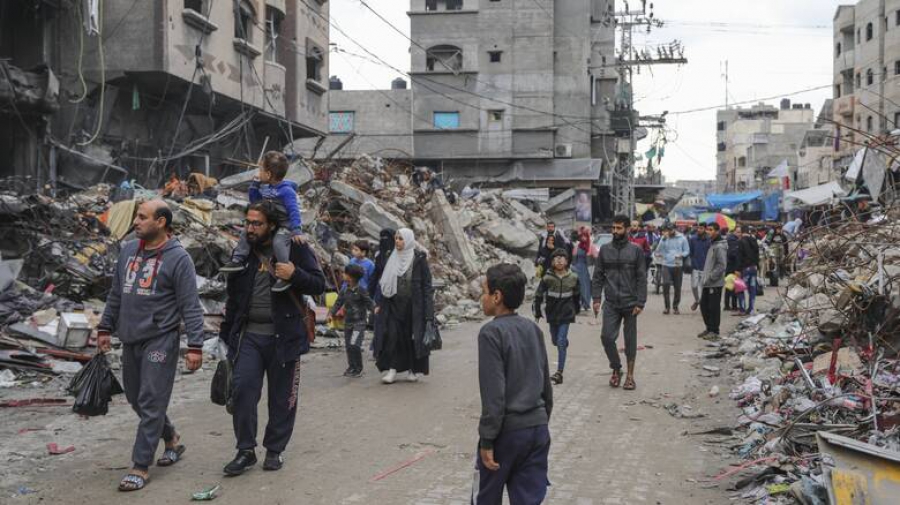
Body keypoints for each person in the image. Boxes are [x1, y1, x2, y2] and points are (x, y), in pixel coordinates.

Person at [97, 200, 205, 492]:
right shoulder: (129, 251)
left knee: (151, 399)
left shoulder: (179, 258)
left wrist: (195, 345)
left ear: (161, 222)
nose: (136, 222)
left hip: (161, 339)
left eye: (142, 217)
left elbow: (190, 306)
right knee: (135, 397)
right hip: (130, 337)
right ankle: (170, 437)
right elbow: (116, 294)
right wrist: (105, 326)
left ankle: (140, 465)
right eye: (136, 217)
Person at [219, 202, 326, 476]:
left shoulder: (295, 247)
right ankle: (245, 450)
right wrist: (226, 336)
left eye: (257, 224)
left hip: (285, 337)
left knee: (282, 398)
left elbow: (319, 283)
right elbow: (233, 298)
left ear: (272, 226)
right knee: (242, 391)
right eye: (248, 223)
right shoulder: (243, 254)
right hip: (249, 336)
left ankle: (275, 450)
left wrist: (294, 274)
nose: (250, 228)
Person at [473, 263, 553, 505]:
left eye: (485, 291)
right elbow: (545, 386)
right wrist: (540, 421)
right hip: (538, 429)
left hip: (506, 434)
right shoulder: (532, 329)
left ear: (497, 297)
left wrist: (487, 440)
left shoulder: (490, 334)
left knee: (485, 497)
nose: (481, 297)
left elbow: (494, 395)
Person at [221, 151, 304, 293]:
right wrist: (254, 185)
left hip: (285, 225)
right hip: (271, 222)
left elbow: (294, 211)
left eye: (261, 170)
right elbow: (256, 203)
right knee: (247, 231)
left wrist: (296, 230)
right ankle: (237, 260)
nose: (258, 173)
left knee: (278, 242)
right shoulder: (266, 188)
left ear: (269, 174)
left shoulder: (286, 191)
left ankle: (284, 274)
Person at [592, 215, 647, 391]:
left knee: (630, 341)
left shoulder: (636, 251)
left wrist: (641, 301)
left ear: (628, 229)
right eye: (613, 228)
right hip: (611, 303)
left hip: (631, 303)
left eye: (619, 228)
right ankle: (616, 368)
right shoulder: (605, 250)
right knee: (606, 337)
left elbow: (641, 278)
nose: (615, 231)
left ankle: (630, 376)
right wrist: (596, 298)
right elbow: (598, 276)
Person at [375, 228, 435, 384]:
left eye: (401, 239)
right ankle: (392, 370)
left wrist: (428, 313)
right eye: (396, 238)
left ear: (408, 240)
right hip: (393, 304)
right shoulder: (392, 258)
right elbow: (384, 283)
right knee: (393, 336)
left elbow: (427, 286)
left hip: (413, 307)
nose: (397, 241)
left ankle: (412, 370)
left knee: (411, 338)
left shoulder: (419, 259)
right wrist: (379, 303)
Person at [534, 249, 581, 385]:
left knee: (560, 341)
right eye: (556, 258)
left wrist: (576, 309)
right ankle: (563, 344)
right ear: (552, 262)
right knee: (555, 340)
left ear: (567, 261)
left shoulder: (573, 277)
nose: (559, 260)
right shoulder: (547, 278)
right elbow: (538, 295)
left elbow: (577, 295)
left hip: (566, 313)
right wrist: (537, 312)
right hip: (552, 313)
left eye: (562, 258)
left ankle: (559, 373)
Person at [329, 264, 374, 378]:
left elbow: (369, 303)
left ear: (351, 277)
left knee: (355, 344)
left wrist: (376, 310)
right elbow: (338, 303)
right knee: (349, 346)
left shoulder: (362, 290)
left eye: (345, 273)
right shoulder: (344, 290)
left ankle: (358, 368)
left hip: (359, 323)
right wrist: (331, 314)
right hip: (348, 323)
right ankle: (351, 367)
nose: (343, 274)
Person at [698, 223, 727, 339]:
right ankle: (709, 328)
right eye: (708, 229)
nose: (708, 232)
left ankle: (714, 331)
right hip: (707, 282)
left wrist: (711, 277)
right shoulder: (712, 244)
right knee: (704, 306)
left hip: (714, 283)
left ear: (717, 231)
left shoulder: (720, 246)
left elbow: (722, 265)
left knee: (713, 307)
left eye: (711, 230)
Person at [654, 224, 690, 315]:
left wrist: (682, 255)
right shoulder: (664, 238)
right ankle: (667, 307)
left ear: (675, 229)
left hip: (678, 264)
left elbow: (687, 250)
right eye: (667, 230)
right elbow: (658, 250)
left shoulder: (682, 238)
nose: (669, 232)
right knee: (665, 284)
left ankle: (675, 306)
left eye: (670, 230)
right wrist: (663, 240)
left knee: (677, 287)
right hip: (666, 264)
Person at [370, 228, 395, 354]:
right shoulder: (380, 255)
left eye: (387, 237)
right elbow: (375, 273)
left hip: (396, 292)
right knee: (380, 320)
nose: (384, 241)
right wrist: (370, 292)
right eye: (382, 238)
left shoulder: (398, 254)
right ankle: (378, 348)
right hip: (381, 291)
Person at [736, 226, 760, 315]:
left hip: (744, 269)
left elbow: (739, 257)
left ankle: (742, 309)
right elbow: (757, 255)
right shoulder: (754, 240)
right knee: (752, 289)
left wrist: (738, 270)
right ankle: (751, 309)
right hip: (753, 268)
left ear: (742, 232)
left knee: (740, 288)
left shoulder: (740, 242)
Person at [688, 223, 711, 312]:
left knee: (703, 287)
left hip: (706, 267)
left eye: (701, 228)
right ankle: (697, 300)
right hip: (695, 266)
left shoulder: (709, 239)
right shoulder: (693, 239)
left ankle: (703, 304)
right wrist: (692, 262)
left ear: (705, 229)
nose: (699, 230)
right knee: (694, 286)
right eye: (698, 228)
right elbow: (690, 252)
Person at [571, 227, 595, 310]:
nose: (583, 238)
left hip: (587, 269)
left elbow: (595, 259)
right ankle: (579, 303)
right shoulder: (577, 246)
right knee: (578, 286)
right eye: (582, 236)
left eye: (585, 236)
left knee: (586, 287)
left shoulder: (591, 246)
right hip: (576, 268)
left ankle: (586, 304)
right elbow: (573, 258)